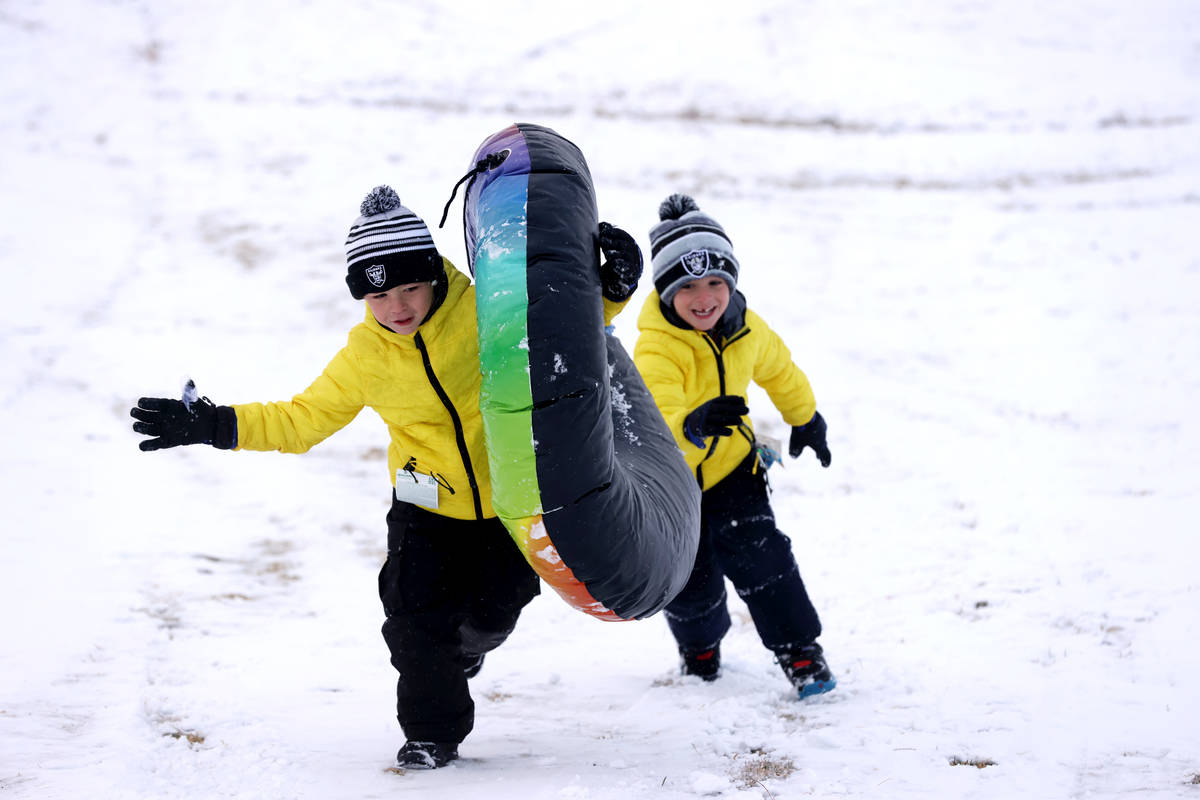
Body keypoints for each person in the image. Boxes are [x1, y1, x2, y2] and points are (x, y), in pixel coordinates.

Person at [130, 186, 645, 768]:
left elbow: (564, 337)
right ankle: (431, 734)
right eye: (378, 295)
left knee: (496, 610)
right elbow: (301, 420)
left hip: (509, 503)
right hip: (427, 507)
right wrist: (216, 424)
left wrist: (613, 291)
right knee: (412, 620)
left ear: (434, 276)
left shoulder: (485, 314)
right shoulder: (366, 356)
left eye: (409, 288)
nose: (396, 307)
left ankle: (464, 649)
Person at [632, 194, 836, 699]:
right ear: (666, 292)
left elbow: (780, 370)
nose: (704, 298)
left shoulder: (747, 327)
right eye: (687, 287)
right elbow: (657, 417)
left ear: (731, 282)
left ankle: (800, 650)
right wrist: (693, 425)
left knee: (764, 556)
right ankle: (700, 648)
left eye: (715, 282)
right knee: (691, 581)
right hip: (676, 484)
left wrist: (805, 418)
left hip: (734, 469)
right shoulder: (657, 346)